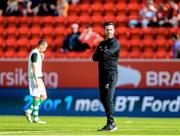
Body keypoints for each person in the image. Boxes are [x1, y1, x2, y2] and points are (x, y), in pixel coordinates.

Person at [92, 22, 120, 131]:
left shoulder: (115, 43)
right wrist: (102, 52)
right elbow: (94, 58)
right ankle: (111, 123)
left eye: (110, 29)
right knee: (103, 98)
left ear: (114, 31)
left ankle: (111, 123)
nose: (108, 31)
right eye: (107, 29)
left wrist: (102, 52)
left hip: (111, 74)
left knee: (108, 97)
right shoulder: (102, 43)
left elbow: (105, 55)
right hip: (102, 74)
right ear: (104, 31)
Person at [24, 39, 48, 124]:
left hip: (38, 77)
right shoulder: (34, 53)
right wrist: (36, 80)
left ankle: (29, 110)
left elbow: (36, 65)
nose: (45, 49)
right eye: (44, 47)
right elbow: (33, 67)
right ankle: (36, 118)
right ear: (40, 46)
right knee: (36, 97)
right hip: (35, 78)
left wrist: (41, 58)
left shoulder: (37, 53)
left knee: (44, 96)